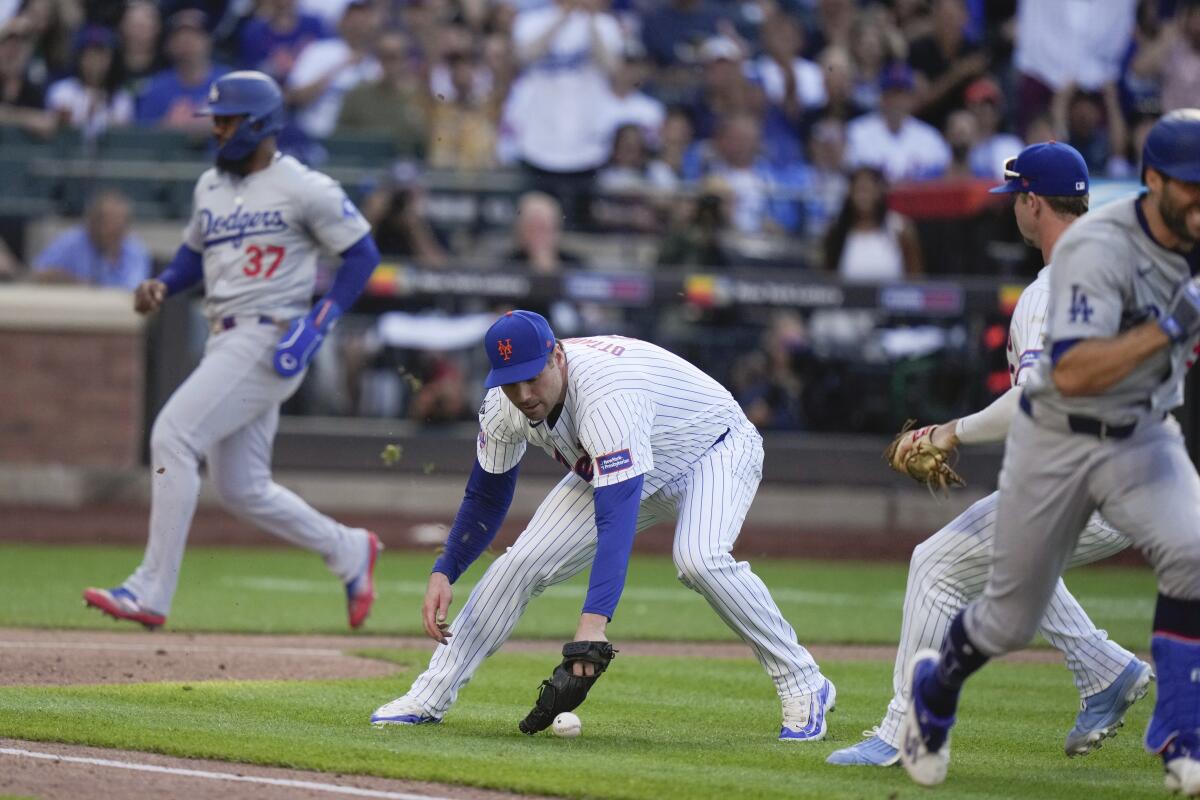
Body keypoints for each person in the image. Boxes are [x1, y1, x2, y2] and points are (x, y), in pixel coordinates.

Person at [899, 111, 1200, 795]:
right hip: (1063, 461)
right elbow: (1055, 384)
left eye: (1017, 202)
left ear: (1032, 204)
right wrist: (957, 431)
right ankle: (935, 695)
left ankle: (1184, 736)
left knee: (1192, 552)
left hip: (1138, 448)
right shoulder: (1065, 279)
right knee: (1008, 617)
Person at [826, 141, 1152, 768]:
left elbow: (1036, 397)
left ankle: (902, 733)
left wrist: (950, 430)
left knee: (936, 565)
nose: (1012, 213)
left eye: (1016, 200)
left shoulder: (1052, 288)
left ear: (1033, 202)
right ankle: (1104, 672)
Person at [369, 309, 838, 742]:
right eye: (511, 383)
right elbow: (487, 495)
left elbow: (616, 517)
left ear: (557, 355)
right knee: (521, 564)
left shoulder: (606, 394)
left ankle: (803, 682)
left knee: (699, 560)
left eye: (533, 378)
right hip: (620, 461)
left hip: (712, 447)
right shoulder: (503, 405)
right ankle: (429, 696)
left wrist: (592, 626)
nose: (524, 395)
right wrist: (445, 569)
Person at [82, 71, 383, 632]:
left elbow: (361, 255)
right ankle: (347, 548)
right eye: (215, 120)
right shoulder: (210, 187)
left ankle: (150, 588)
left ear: (262, 124)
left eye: (228, 120)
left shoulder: (304, 185)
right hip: (225, 332)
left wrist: (318, 325)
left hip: (270, 334)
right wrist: (165, 286)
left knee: (172, 434)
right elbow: (192, 256)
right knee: (242, 488)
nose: (218, 129)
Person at [31, 189, 150, 289]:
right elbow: (38, 274)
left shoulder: (135, 251)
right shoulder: (71, 241)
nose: (112, 230)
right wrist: (77, 283)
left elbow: (134, 292)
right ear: (92, 222)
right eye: (107, 222)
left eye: (119, 224)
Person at [822, 166, 922, 281]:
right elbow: (828, 278)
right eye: (859, 190)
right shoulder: (836, 231)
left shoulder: (899, 228)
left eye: (868, 190)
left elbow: (915, 277)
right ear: (850, 193)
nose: (864, 196)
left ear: (880, 192)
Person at [134, 9, 228, 130]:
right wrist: (170, 125)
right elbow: (142, 135)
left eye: (195, 34)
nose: (187, 40)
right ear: (168, 45)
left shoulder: (229, 83)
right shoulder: (155, 89)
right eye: (179, 35)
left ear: (209, 40)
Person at [46, 25, 133, 141]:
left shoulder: (121, 97)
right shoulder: (62, 90)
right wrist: (87, 112)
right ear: (80, 58)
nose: (95, 61)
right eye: (90, 55)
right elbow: (58, 128)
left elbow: (122, 136)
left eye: (101, 55)